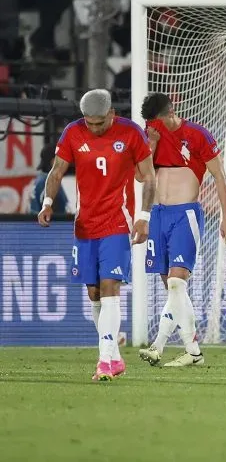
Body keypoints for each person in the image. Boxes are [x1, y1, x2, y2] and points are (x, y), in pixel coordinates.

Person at [37, 89, 155, 381]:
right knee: (94, 293)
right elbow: (56, 171)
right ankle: (114, 356)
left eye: (100, 123)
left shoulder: (131, 133)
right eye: (89, 122)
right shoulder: (73, 133)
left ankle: (103, 362)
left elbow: (149, 177)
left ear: (112, 114)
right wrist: (48, 203)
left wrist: (143, 217)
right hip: (85, 224)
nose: (94, 128)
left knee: (110, 286)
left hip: (118, 222)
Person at [137, 93, 226, 368]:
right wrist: (152, 144)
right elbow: (140, 175)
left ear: (171, 111)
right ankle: (178, 350)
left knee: (177, 283)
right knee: (172, 290)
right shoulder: (151, 134)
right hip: (158, 216)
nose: (154, 127)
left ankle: (174, 348)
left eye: (157, 122)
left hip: (185, 215)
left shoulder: (197, 135)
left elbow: (219, 176)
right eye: (150, 124)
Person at [29, 143, 67, 215]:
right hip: (50, 224)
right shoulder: (49, 183)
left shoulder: (39, 179)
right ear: (53, 161)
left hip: (35, 223)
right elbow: (56, 213)